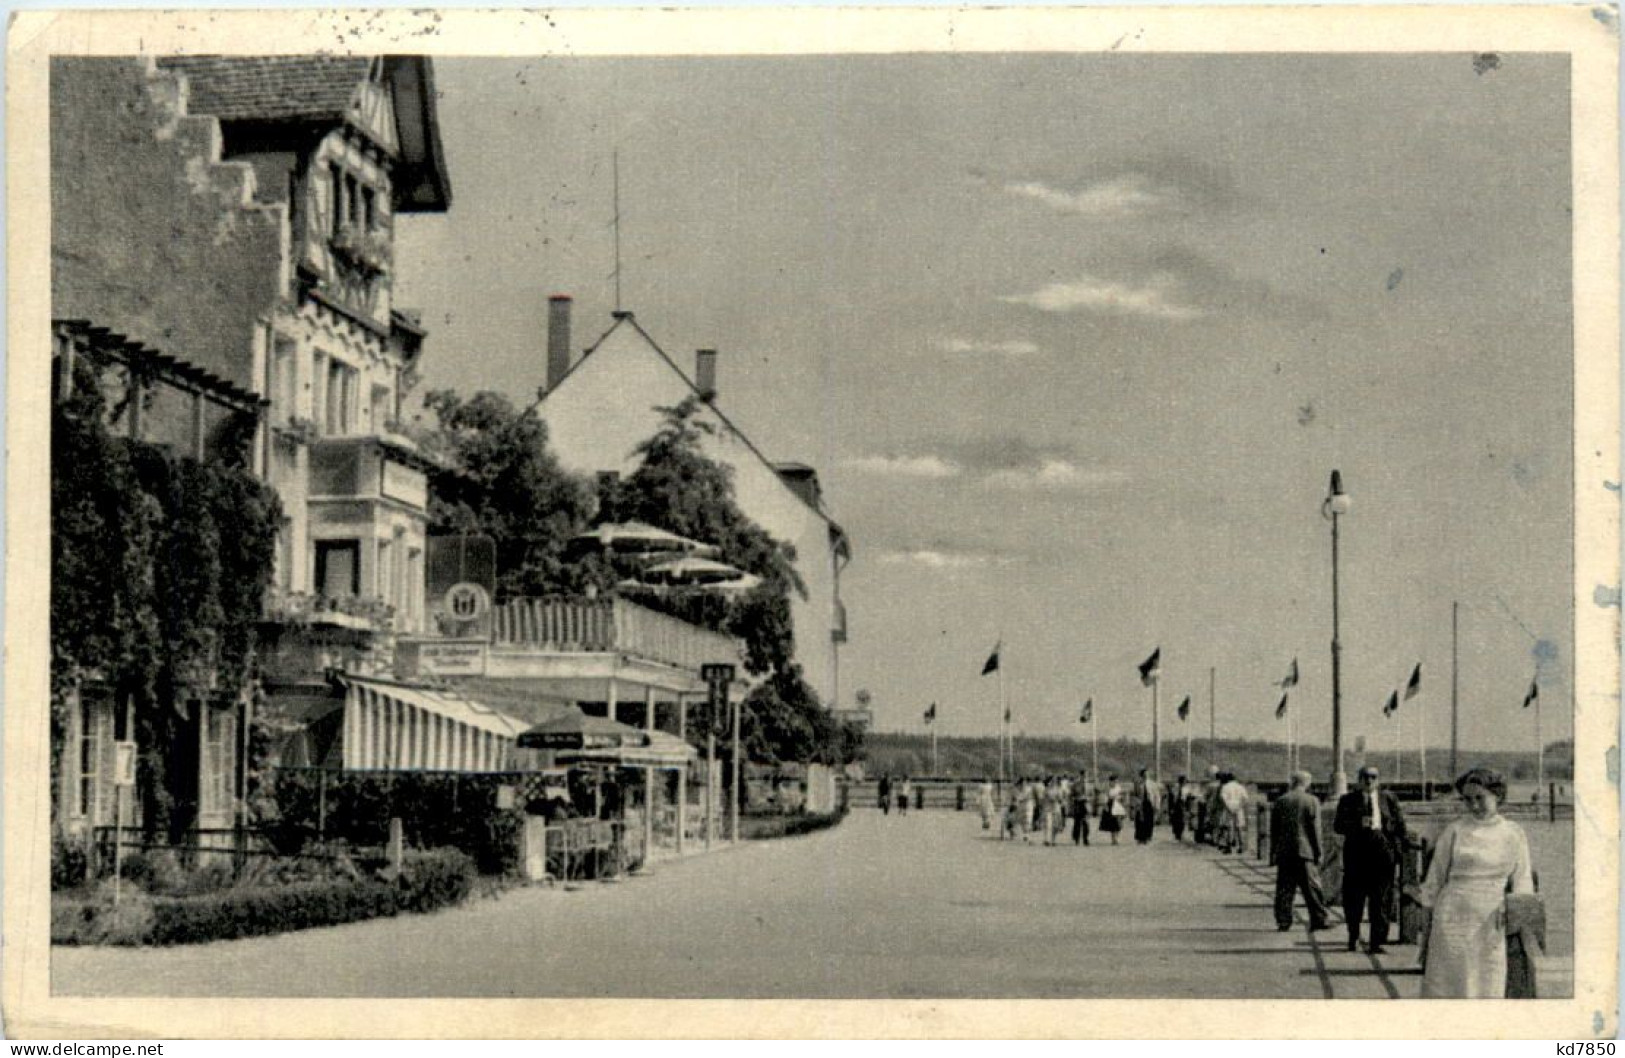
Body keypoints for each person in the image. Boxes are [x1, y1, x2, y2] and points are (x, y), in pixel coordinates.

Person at [1412, 767, 1535, 997]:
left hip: (1491, 919)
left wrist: (1513, 912)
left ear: (1497, 796)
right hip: (1452, 918)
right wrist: (1426, 935)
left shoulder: (1513, 833)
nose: (1474, 805)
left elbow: (1523, 880)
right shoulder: (1455, 831)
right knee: (1448, 985)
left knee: (1486, 982)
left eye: (1480, 798)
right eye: (1468, 800)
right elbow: (1433, 882)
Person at [1334, 764, 1409, 954]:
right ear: (1359, 780)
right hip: (1357, 855)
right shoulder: (1347, 800)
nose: (1369, 781)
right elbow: (1338, 826)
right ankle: (1353, 937)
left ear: (1378, 779)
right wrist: (1357, 824)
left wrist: (1399, 851)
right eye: (1365, 777)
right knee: (1354, 900)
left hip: (1382, 855)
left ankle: (1377, 941)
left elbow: (1400, 825)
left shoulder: (1388, 799)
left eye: (1373, 777)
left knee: (1381, 900)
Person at [1271, 771, 1332, 932]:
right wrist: (1319, 852)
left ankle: (1283, 920)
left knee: (1284, 888)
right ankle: (1318, 918)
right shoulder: (1312, 801)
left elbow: (1274, 829)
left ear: (1293, 782)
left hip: (1284, 851)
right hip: (1305, 851)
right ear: (1307, 783)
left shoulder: (1281, 801)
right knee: (1311, 887)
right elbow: (1315, 830)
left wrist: (1273, 852)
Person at [1218, 771, 1250, 853]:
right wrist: (1240, 806)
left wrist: (1228, 807)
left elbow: (1223, 798)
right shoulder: (1240, 787)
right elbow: (1246, 798)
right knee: (1239, 827)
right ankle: (1241, 847)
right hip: (1238, 807)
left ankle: (1229, 847)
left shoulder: (1225, 787)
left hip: (1229, 807)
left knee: (1229, 827)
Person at [1132, 768, 1159, 844]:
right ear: (1141, 776)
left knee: (1149, 820)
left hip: (1150, 803)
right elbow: (1135, 795)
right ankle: (1140, 837)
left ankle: (1147, 837)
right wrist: (1136, 804)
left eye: (1147, 775)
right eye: (1144, 775)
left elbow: (1156, 795)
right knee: (1140, 820)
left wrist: (1157, 805)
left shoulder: (1153, 784)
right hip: (1141, 803)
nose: (1146, 776)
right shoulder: (1138, 784)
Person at [1099, 774, 1124, 845]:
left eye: (1116, 781)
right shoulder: (1108, 788)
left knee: (1118, 822)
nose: (1114, 782)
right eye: (1113, 781)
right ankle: (1113, 839)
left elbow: (1121, 796)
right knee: (1112, 823)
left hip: (1117, 805)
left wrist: (1120, 799)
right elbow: (1105, 797)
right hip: (1110, 805)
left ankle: (1117, 838)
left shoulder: (1118, 788)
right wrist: (1105, 805)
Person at [1071, 771, 1092, 846]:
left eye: (1086, 776)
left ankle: (1085, 838)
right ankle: (1077, 839)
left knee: (1086, 823)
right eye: (1083, 776)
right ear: (1080, 776)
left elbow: (1092, 795)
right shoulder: (1075, 784)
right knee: (1077, 822)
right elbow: (1072, 794)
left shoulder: (1089, 785)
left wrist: (1089, 799)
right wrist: (1075, 799)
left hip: (1086, 803)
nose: (1084, 778)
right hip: (1078, 803)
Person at [1170, 775, 1189, 842]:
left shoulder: (1186, 789)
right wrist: (1171, 807)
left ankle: (1180, 834)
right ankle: (1176, 834)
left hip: (1182, 805)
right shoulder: (1175, 788)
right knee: (1175, 820)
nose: (1185, 782)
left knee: (1182, 820)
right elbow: (1172, 798)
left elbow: (1187, 798)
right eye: (1184, 781)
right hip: (1176, 805)